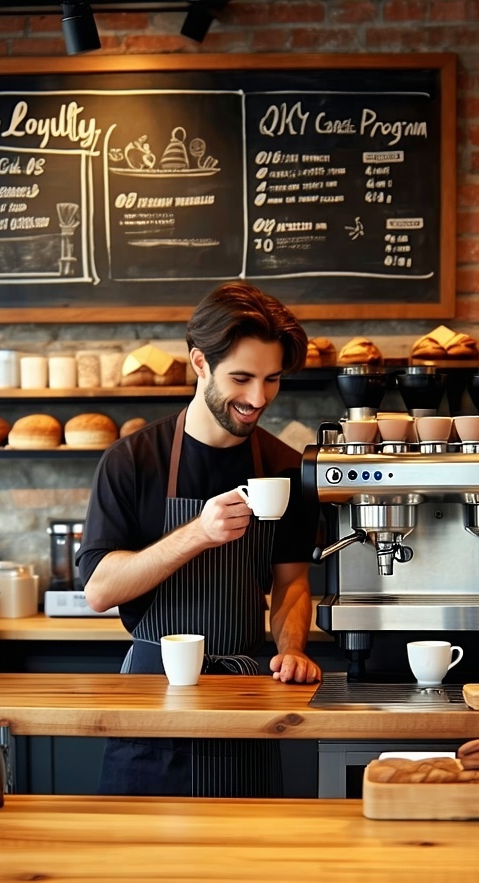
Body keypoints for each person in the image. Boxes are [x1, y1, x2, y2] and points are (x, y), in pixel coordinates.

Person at [79, 280, 323, 797]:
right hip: (151, 696)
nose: (258, 398)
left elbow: (293, 584)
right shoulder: (132, 461)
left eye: (272, 380)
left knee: (242, 866)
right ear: (199, 363)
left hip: (243, 696)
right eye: (242, 378)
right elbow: (100, 591)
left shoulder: (284, 468)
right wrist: (195, 534)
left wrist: (293, 647)